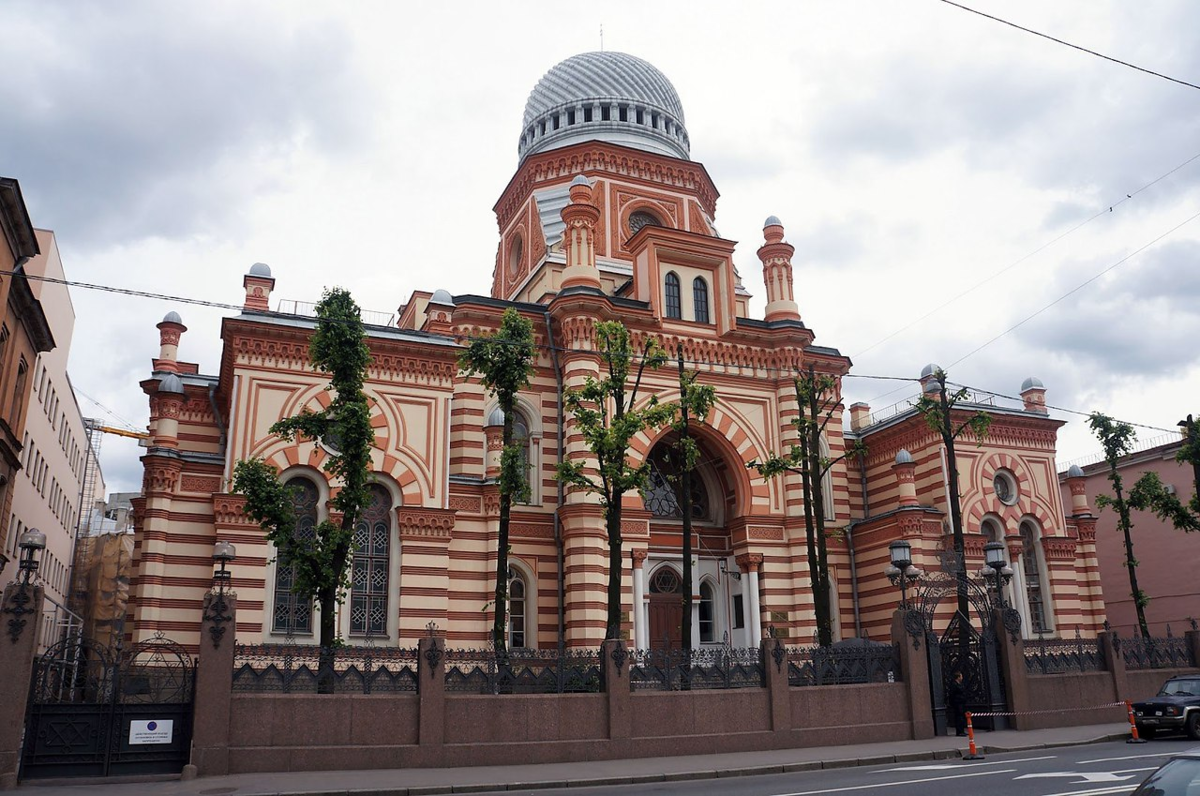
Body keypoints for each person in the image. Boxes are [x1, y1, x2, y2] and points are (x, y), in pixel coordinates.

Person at [947, 670, 968, 737]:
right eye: (961, 676)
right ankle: (959, 732)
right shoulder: (954, 685)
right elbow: (952, 694)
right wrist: (953, 702)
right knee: (959, 717)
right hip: (957, 703)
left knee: (961, 717)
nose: (962, 677)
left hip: (961, 703)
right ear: (958, 677)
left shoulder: (960, 684)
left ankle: (961, 731)